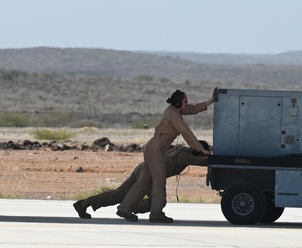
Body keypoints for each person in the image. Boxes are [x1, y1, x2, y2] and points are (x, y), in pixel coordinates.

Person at [116, 88, 216, 223]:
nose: (187, 103)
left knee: (144, 181)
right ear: (178, 103)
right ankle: (156, 214)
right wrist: (200, 149)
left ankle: (124, 208)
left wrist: (210, 101)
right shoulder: (175, 117)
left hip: (153, 147)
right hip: (156, 149)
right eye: (185, 101)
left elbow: (192, 109)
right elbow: (187, 133)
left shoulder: (173, 110)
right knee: (159, 182)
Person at [72, 142, 210, 218]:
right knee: (157, 200)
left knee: (120, 194)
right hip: (150, 172)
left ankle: (84, 203)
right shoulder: (183, 155)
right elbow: (201, 161)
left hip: (143, 168)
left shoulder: (180, 150)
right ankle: (128, 209)